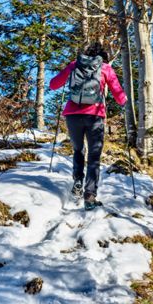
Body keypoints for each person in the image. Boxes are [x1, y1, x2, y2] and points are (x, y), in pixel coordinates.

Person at [49, 42, 127, 210]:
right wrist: (124, 102)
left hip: (72, 115)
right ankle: (90, 197)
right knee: (94, 156)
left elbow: (53, 84)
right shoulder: (106, 68)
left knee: (78, 150)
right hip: (95, 116)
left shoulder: (74, 65)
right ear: (103, 56)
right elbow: (120, 96)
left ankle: (78, 180)